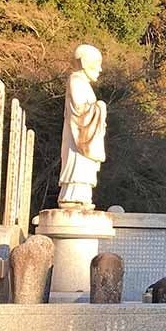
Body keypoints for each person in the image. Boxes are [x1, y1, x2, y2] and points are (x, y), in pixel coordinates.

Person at [58, 45, 107, 210]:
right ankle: (72, 196)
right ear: (86, 63)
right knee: (76, 166)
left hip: (83, 135)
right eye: (97, 64)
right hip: (78, 136)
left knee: (84, 168)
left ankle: (81, 196)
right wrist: (100, 107)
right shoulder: (76, 80)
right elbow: (80, 108)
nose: (100, 69)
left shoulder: (83, 83)